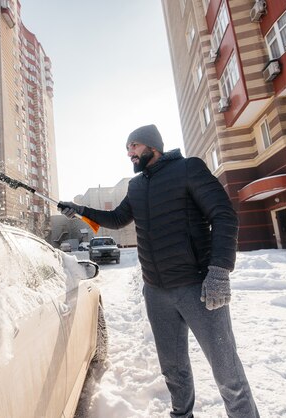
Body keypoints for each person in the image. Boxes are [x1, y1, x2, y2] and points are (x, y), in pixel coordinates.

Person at [59, 124, 259, 418]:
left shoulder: (188, 169)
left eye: (134, 146)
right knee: (173, 369)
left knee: (226, 369)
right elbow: (117, 218)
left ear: (153, 146)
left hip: (198, 286)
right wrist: (81, 210)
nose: (130, 153)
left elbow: (224, 215)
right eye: (127, 149)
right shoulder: (137, 186)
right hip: (156, 291)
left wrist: (219, 271)